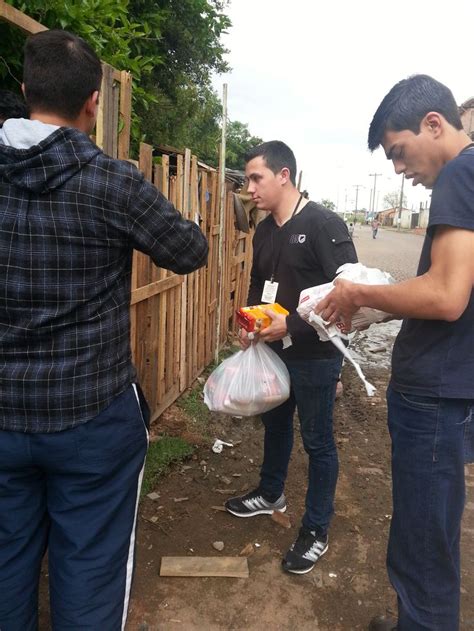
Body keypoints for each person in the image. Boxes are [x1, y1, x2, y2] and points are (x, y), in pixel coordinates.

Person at [0, 30, 208, 630]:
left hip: (5, 416)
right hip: (90, 415)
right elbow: (189, 250)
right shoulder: (112, 183)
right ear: (95, 101)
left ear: (23, 91)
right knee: (89, 571)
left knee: (7, 564)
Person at [316, 74, 474, 631]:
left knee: (422, 545)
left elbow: (446, 294)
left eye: (399, 152)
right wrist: (384, 306)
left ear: (435, 123)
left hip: (433, 393)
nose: (400, 170)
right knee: (431, 532)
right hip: (454, 386)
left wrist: (358, 293)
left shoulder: (461, 173)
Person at [224, 140, 358, 574]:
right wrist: (248, 325)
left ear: (284, 176)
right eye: (248, 180)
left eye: (256, 178)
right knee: (275, 426)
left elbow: (348, 296)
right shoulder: (265, 230)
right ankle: (270, 493)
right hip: (273, 353)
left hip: (316, 357)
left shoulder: (323, 225)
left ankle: (316, 529)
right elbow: (258, 282)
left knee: (318, 442)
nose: (250, 189)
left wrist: (294, 327)